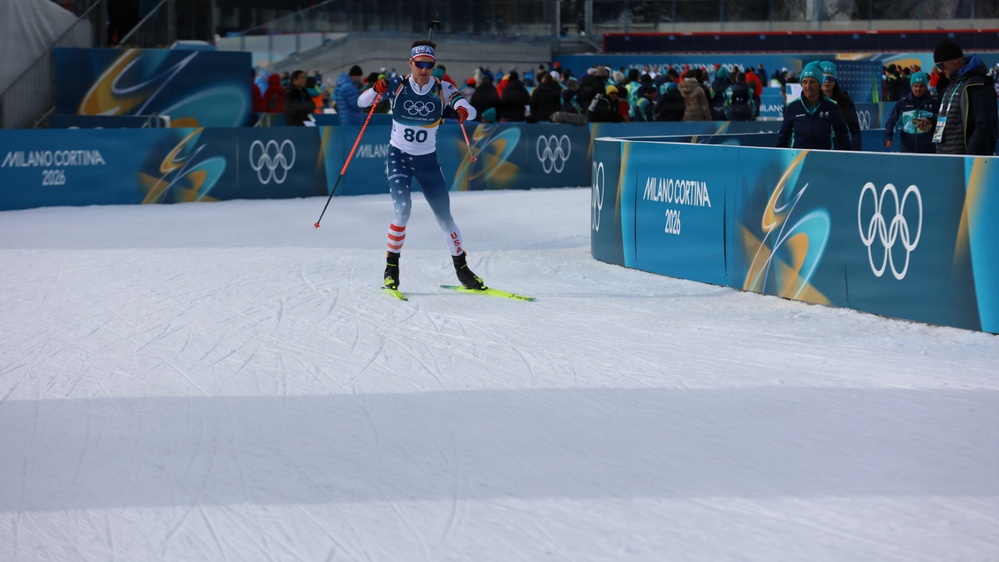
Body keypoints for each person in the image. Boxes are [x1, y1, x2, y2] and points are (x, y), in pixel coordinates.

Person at [356, 40, 485, 292]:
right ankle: (391, 270)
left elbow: (468, 107)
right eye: (419, 64)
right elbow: (362, 102)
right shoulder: (396, 85)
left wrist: (462, 110)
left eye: (429, 65)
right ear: (411, 63)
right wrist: (376, 88)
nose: (424, 69)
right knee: (403, 211)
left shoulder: (442, 87)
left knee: (446, 218)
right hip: (399, 158)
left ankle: (463, 271)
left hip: (427, 163)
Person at [931, 38, 999, 156]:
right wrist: (931, 123)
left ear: (955, 60)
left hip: (964, 158)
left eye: (941, 65)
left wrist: (970, 157)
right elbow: (950, 118)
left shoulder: (977, 84)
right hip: (943, 155)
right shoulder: (950, 83)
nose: (940, 70)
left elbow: (984, 124)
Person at [776, 62, 851, 150]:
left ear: (819, 84)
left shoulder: (831, 107)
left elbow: (842, 136)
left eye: (812, 82)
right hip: (799, 161)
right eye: (804, 82)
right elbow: (783, 137)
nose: (808, 86)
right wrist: (777, 158)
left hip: (824, 159)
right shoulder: (792, 108)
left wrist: (849, 158)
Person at [883, 71, 937, 154]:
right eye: (915, 86)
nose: (918, 89)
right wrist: (889, 137)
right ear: (911, 87)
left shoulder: (934, 103)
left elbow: (940, 124)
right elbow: (892, 121)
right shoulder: (902, 103)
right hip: (907, 150)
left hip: (928, 151)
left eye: (921, 86)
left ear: (925, 87)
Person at [820, 61, 862, 150]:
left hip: (841, 150)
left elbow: (855, 130)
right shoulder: (812, 102)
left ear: (835, 81)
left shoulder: (846, 102)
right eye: (823, 78)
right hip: (819, 150)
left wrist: (856, 152)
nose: (827, 81)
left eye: (830, 78)